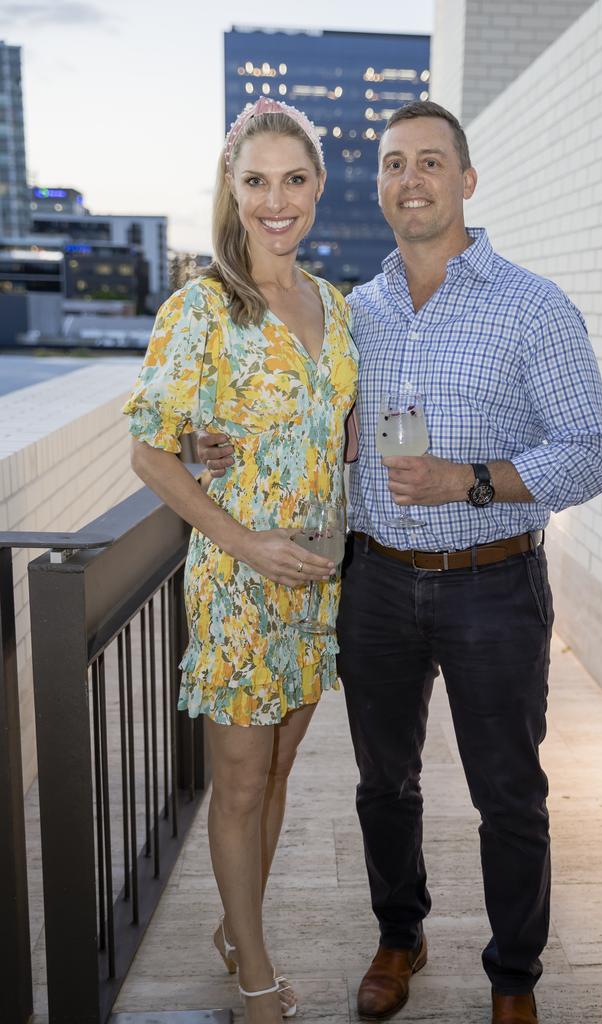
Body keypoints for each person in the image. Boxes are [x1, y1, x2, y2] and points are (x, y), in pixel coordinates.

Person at [199, 100, 602, 1024]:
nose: (412, 179)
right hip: (377, 581)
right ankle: (401, 934)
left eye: (432, 162)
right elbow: (295, 412)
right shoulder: (355, 311)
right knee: (383, 783)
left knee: (508, 793)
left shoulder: (535, 307)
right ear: (378, 186)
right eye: (394, 164)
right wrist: (209, 444)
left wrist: (470, 479)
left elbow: (590, 451)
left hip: (494, 584)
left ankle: (514, 978)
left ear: (466, 182)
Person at [123, 97, 358, 1024]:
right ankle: (255, 976)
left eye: (293, 180)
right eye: (256, 180)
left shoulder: (334, 308)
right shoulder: (204, 307)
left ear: (316, 188)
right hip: (236, 581)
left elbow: (331, 431)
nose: (276, 200)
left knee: (283, 767)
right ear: (232, 188)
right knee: (242, 779)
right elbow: (148, 448)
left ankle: (237, 926)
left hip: (315, 582)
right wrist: (244, 534)